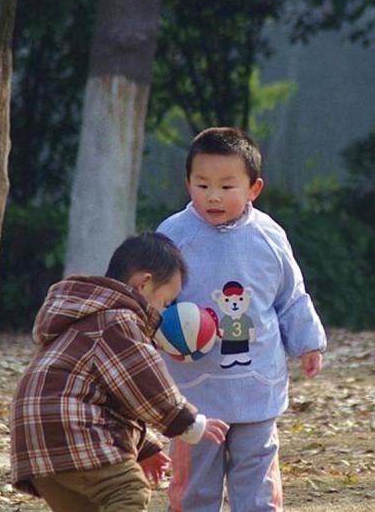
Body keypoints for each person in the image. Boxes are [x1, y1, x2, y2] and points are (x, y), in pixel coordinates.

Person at [157, 127, 327, 511]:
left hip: (257, 384)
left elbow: (291, 295)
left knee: (257, 483)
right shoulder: (173, 236)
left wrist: (308, 342)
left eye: (226, 186)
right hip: (194, 391)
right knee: (195, 486)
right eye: (202, 185)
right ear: (188, 184)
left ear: (254, 188)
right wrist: (162, 332)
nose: (213, 196)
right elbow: (151, 299)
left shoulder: (268, 236)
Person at [9, 232, 230, 512]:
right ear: (144, 283)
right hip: (71, 428)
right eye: (164, 302)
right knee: (128, 491)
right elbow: (145, 383)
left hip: (35, 438)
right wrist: (187, 422)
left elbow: (113, 399)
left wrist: (145, 447)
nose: (163, 312)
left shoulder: (83, 317)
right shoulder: (119, 320)